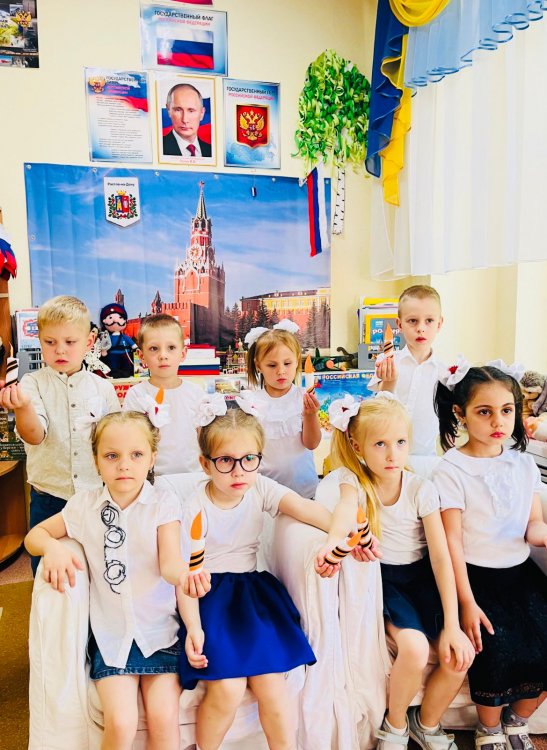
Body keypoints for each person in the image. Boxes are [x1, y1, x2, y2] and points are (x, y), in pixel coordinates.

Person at [24, 410, 211, 750]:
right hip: (111, 640)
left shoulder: (163, 503)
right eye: (112, 456)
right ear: (96, 462)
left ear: (151, 458)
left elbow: (170, 564)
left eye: (136, 454)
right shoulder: (83, 506)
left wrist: (186, 576)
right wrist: (52, 548)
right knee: (121, 723)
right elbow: (34, 536)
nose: (124, 465)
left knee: (163, 719)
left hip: (159, 635)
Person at [316, 393, 475, 750]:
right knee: (414, 649)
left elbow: (440, 558)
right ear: (358, 446)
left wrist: (452, 623)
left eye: (400, 442)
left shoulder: (421, 488)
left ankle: (427, 723)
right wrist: (334, 541)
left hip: (423, 578)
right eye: (380, 444)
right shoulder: (353, 481)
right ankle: (396, 724)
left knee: (460, 653)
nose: (392, 454)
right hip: (385, 580)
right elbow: (345, 510)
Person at [177, 394, 333, 750]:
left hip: (252, 596)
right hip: (208, 597)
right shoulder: (194, 506)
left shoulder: (259, 486)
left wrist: (346, 533)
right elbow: (184, 576)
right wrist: (193, 627)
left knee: (273, 686)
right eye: (225, 461)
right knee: (228, 688)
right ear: (205, 464)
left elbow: (308, 511)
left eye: (249, 459)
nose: (238, 471)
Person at [433, 361, 547, 750]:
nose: (498, 421)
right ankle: (489, 727)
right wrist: (466, 602)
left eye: (507, 410)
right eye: (484, 411)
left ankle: (519, 720)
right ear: (460, 413)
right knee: (494, 649)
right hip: (475, 578)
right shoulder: (451, 469)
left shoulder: (524, 463)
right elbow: (452, 542)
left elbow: (534, 526)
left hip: (520, 574)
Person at [0, 295, 120, 575]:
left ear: (89, 342)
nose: (60, 350)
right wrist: (23, 407)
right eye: (50, 342)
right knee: (48, 569)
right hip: (49, 496)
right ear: (40, 341)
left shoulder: (103, 388)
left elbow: (113, 441)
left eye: (70, 342)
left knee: (97, 565)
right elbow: (34, 436)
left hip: (95, 493)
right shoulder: (32, 384)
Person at [369, 285, 446, 476]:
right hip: (388, 457)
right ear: (400, 324)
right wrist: (388, 383)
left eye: (429, 321)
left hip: (425, 458)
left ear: (439, 324)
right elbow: (377, 411)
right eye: (413, 321)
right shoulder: (387, 361)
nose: (421, 328)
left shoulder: (445, 372)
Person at [245, 320, 321, 498]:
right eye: (272, 365)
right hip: (266, 492)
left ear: (297, 361)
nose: (281, 371)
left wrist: (310, 415)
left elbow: (312, 444)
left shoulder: (303, 397)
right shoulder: (251, 402)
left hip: (304, 491)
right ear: (258, 365)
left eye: (287, 363)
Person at [122, 314, 203, 475]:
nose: (163, 355)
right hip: (151, 479)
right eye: (154, 348)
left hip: (193, 477)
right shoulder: (136, 395)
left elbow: (205, 438)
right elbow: (131, 440)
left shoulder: (196, 393)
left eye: (171, 347)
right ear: (141, 356)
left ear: (183, 353)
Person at [163, 83, 212, 158]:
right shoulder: (159, 147)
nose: (185, 120)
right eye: (178, 110)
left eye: (191, 111)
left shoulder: (211, 151)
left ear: (202, 113)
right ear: (168, 110)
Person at [99, 302, 137, 379]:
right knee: (113, 366)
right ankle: (115, 373)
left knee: (126, 365)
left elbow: (132, 344)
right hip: (112, 355)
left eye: (120, 317)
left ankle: (126, 372)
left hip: (125, 355)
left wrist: (135, 348)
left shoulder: (124, 337)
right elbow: (105, 345)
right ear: (104, 321)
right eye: (110, 318)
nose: (115, 320)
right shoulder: (108, 337)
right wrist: (104, 351)